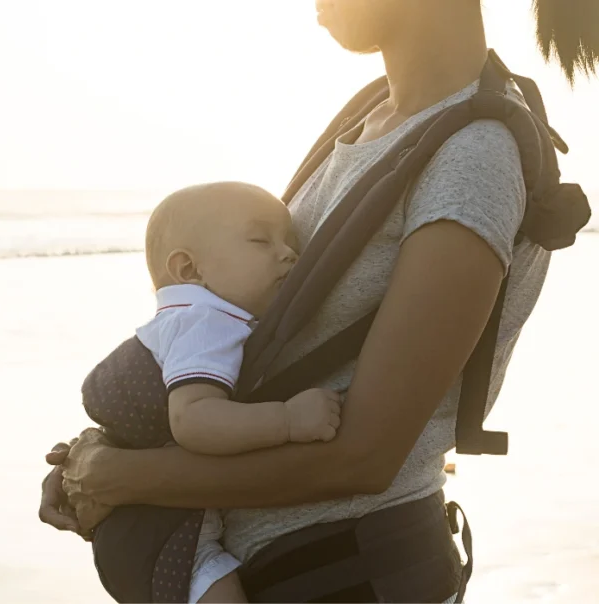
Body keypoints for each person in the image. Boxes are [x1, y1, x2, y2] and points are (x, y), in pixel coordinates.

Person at [39, 1, 599, 601]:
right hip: (276, 566)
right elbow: (261, 345)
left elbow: (364, 458)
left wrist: (125, 479)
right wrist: (97, 458)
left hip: (347, 571)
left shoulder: (472, 157)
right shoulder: (366, 115)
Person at [86, 182, 343, 603]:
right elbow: (192, 420)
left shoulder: (184, 319)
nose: (288, 253)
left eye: (290, 241)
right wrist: (288, 420)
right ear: (190, 270)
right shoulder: (206, 322)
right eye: (261, 240)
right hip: (175, 539)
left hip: (152, 527)